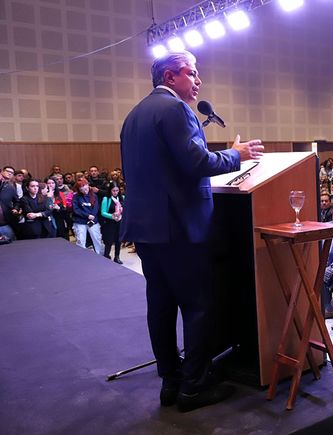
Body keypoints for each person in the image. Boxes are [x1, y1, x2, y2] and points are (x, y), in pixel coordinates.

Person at [119, 51, 263, 412]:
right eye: (192, 73)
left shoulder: (133, 116)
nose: (199, 81)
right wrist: (236, 154)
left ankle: (171, 382)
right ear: (170, 76)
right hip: (180, 227)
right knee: (198, 307)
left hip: (148, 229)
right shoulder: (175, 109)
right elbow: (197, 163)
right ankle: (194, 386)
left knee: (161, 307)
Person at [72, 179, 104, 254]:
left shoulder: (94, 196)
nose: (84, 190)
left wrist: (92, 215)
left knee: (97, 239)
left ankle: (99, 254)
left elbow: (96, 207)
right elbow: (76, 209)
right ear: (79, 190)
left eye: (85, 188)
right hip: (80, 222)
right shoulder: (76, 197)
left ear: (88, 186)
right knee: (81, 240)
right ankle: (82, 256)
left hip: (93, 221)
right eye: (82, 189)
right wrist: (87, 215)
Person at [100, 182, 124, 264]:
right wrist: (112, 216)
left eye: (117, 190)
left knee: (118, 241)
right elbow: (103, 212)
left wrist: (121, 213)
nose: (115, 192)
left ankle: (117, 257)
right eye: (113, 190)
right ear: (110, 190)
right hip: (109, 223)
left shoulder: (122, 198)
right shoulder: (106, 199)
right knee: (109, 241)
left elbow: (126, 209)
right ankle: (106, 255)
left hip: (119, 222)